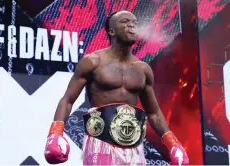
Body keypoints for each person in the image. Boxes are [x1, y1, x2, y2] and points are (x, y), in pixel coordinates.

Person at [44, 10, 189, 165]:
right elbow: (68, 100)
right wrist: (55, 133)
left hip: (133, 147)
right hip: (101, 142)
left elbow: (153, 112)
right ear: (111, 30)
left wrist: (173, 143)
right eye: (125, 21)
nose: (131, 25)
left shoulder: (143, 69)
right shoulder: (92, 62)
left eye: (134, 23)